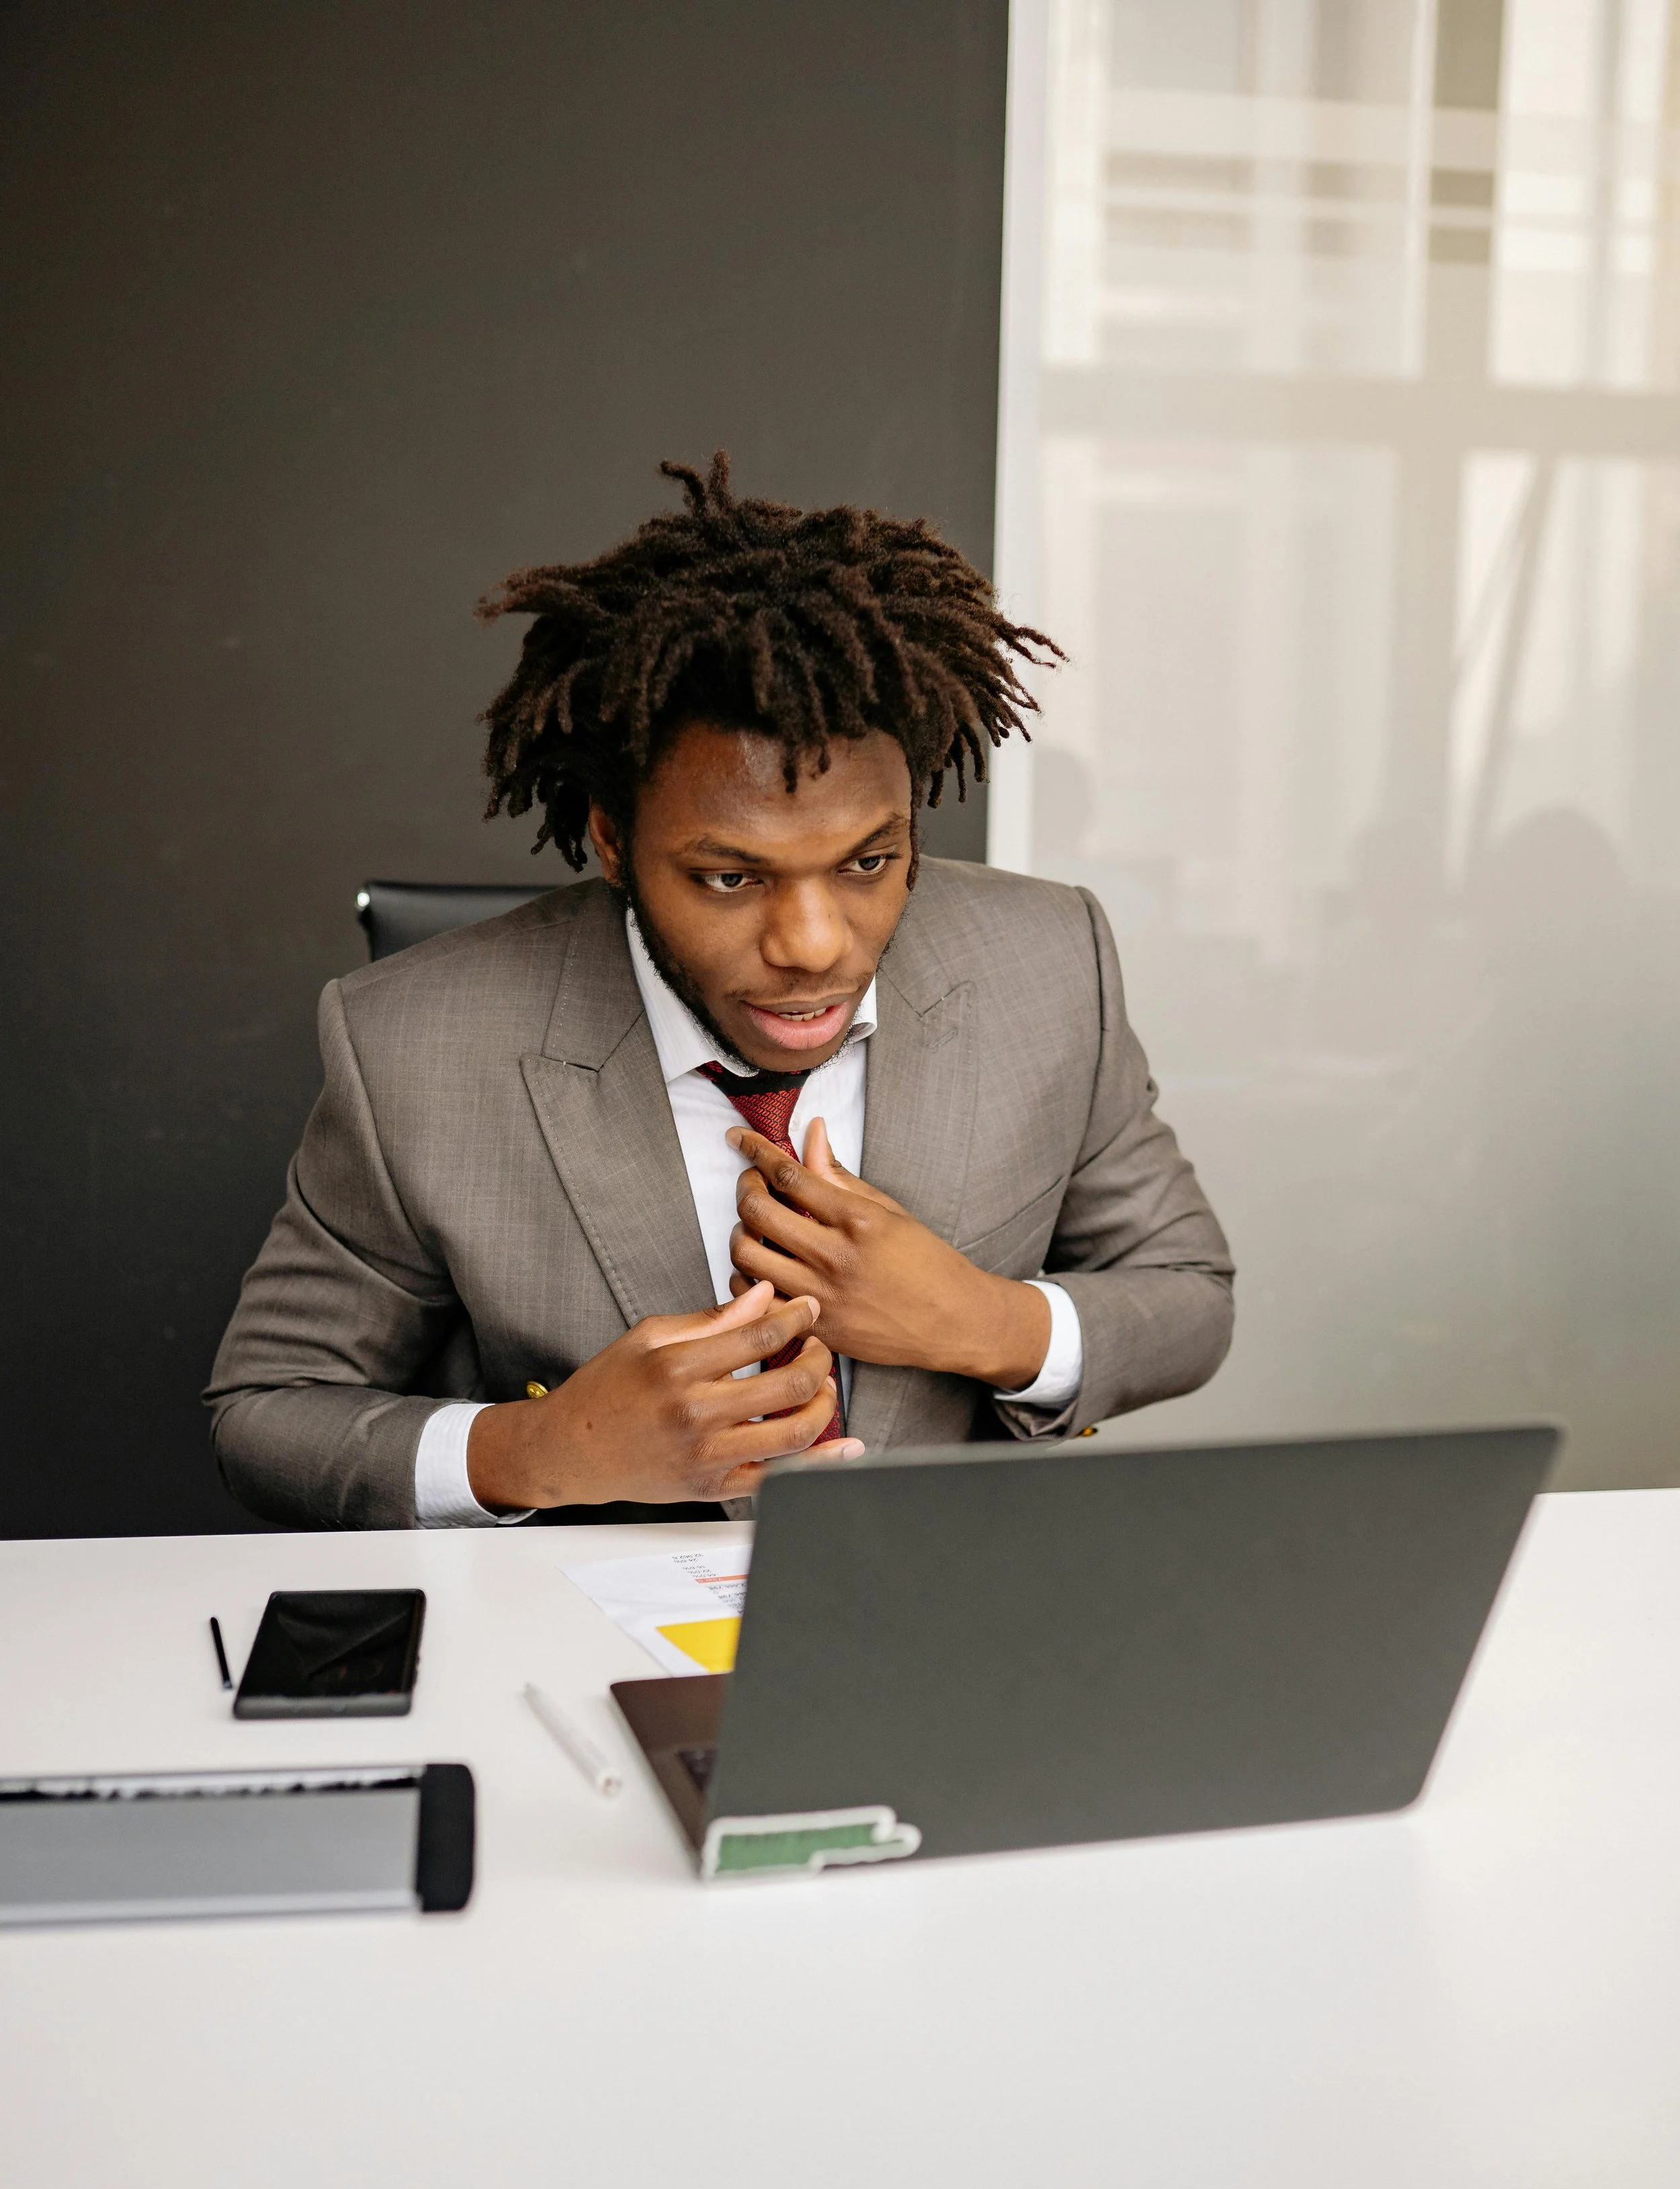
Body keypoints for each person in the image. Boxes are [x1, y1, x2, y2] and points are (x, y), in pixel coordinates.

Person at [207, 455, 1234, 1528]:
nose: (813, 943)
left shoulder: (1052, 960)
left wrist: (983, 1322)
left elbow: (1189, 1295)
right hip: (576, 1652)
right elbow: (263, 1413)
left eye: (868, 863)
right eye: (731, 877)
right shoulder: (411, 1049)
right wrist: (540, 1450)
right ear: (613, 841)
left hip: (945, 1634)